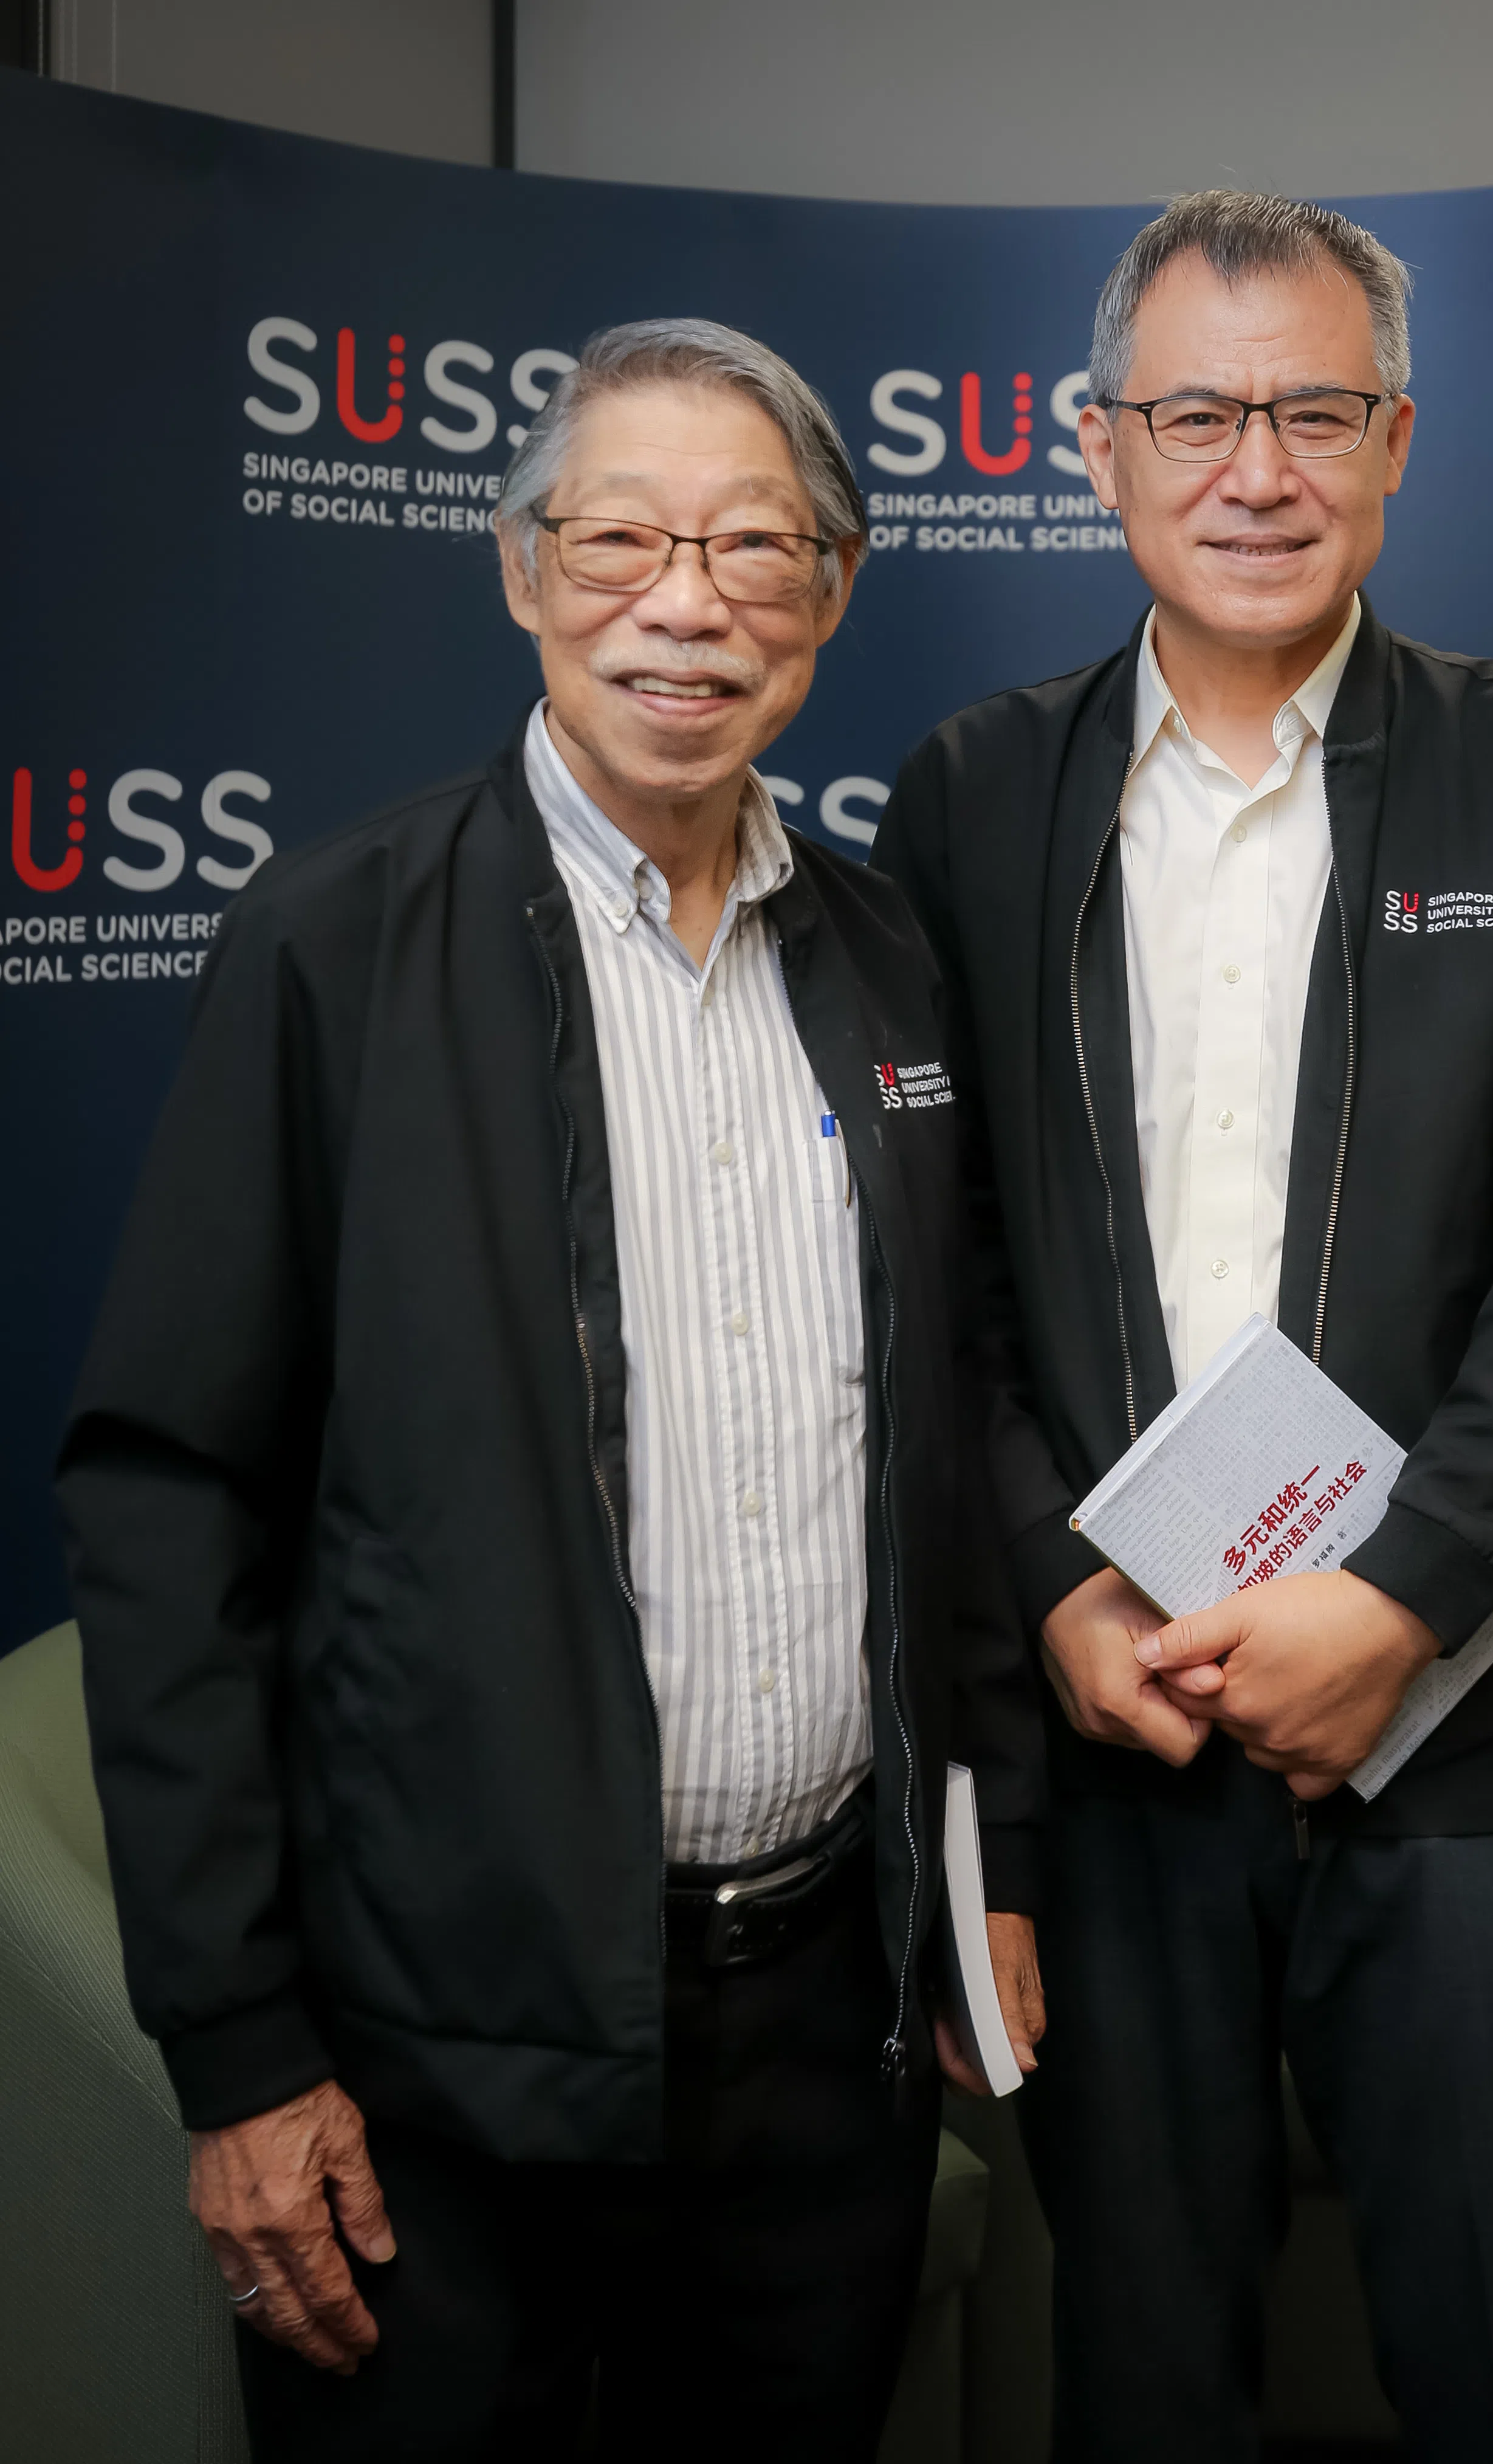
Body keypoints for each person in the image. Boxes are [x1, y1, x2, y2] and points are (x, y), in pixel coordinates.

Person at [59, 317, 1045, 2464]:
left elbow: (945, 1450)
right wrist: (240, 2050)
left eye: (752, 547)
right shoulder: (331, 945)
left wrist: (977, 1867)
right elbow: (168, 1505)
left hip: (828, 2036)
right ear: (520, 570)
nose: (683, 603)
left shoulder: (886, 960)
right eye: (618, 541)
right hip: (436, 2050)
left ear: (829, 593)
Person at [873, 193, 1493, 2462]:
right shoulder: (967, 797)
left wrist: (1397, 1596)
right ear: (1097, 448)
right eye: (1196, 415)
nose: (1257, 469)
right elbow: (937, 1262)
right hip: (1119, 1731)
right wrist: (1053, 1581)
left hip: (1475, 1733)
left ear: (1398, 443)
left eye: (1316, 412)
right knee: (1144, 2375)